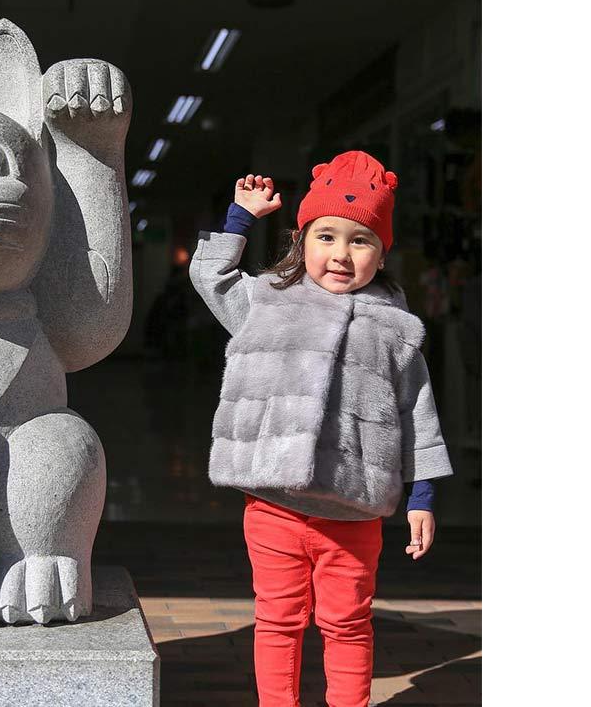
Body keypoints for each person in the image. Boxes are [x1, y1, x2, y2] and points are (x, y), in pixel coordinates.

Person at [189, 151, 453, 707]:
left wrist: (422, 495)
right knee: (277, 620)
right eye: (326, 236)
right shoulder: (266, 303)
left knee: (348, 623)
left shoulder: (396, 330)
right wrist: (241, 217)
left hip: (354, 513)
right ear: (300, 240)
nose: (340, 254)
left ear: (382, 254)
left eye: (361, 241)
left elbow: (418, 414)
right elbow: (210, 276)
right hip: (274, 505)